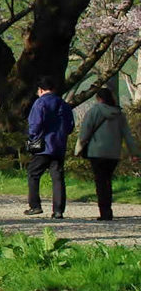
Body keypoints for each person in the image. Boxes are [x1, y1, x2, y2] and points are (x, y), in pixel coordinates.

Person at [71, 88, 138, 222]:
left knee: (100, 182)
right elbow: (128, 135)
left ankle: (105, 212)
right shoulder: (119, 114)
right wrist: (134, 153)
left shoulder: (94, 111)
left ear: (98, 98)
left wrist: (78, 148)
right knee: (108, 180)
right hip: (113, 153)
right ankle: (108, 209)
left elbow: (84, 133)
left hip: (96, 152)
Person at [24, 81, 76, 218]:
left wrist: (32, 137)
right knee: (57, 177)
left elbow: (35, 124)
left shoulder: (40, 103)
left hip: (43, 146)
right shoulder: (64, 104)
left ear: (40, 89)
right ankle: (58, 210)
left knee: (33, 173)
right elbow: (70, 126)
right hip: (59, 145)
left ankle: (35, 206)